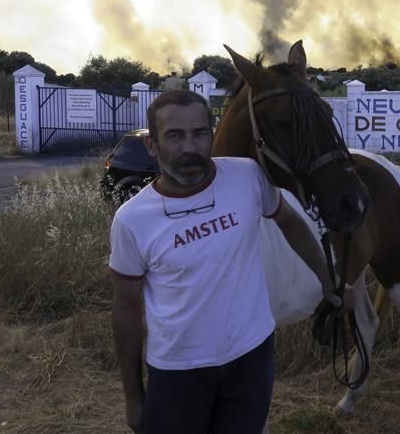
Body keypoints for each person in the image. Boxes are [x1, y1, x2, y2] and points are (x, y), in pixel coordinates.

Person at [109, 89, 342, 434]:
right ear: (152, 146)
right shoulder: (132, 219)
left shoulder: (247, 177)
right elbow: (126, 307)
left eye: (199, 133)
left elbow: (290, 222)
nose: (190, 148)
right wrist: (133, 396)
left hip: (251, 359)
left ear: (212, 134)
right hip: (178, 371)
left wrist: (328, 280)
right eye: (174, 136)